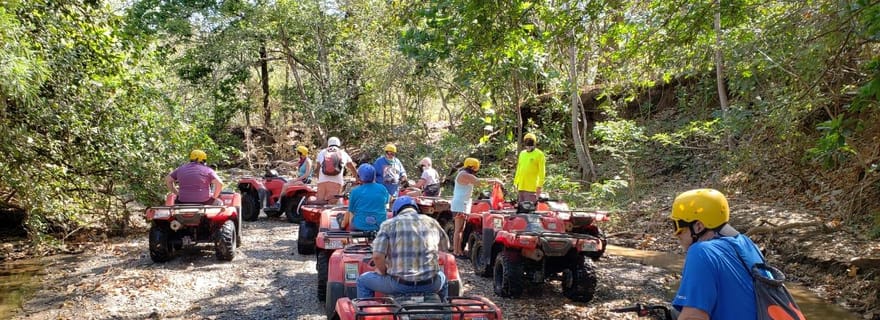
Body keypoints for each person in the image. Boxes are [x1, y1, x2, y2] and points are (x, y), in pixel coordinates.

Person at [670, 188, 759, 320]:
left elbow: (694, 317)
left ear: (698, 226)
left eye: (677, 227)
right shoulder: (746, 243)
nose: (676, 235)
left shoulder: (701, 251)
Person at [356, 196, 449, 301]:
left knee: (363, 280)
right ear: (416, 209)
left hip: (399, 285)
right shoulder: (432, 222)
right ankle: (443, 307)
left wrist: (383, 271)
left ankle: (365, 311)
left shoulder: (388, 225)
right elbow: (445, 248)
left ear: (396, 211)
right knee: (443, 278)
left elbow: (377, 256)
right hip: (431, 285)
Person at [450, 158, 501, 257]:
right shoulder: (464, 174)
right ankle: (456, 252)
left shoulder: (465, 174)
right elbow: (479, 182)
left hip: (463, 204)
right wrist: (494, 180)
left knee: (461, 229)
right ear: (473, 167)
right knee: (458, 229)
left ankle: (459, 250)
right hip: (459, 204)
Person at [341, 164, 390, 231]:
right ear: (374, 176)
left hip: (359, 226)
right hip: (379, 226)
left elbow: (350, 210)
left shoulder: (355, 191)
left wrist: (343, 224)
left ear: (360, 177)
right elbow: (386, 203)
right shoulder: (383, 189)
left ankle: (343, 226)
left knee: (351, 213)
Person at [314, 137, 357, 204]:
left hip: (322, 181)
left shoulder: (322, 152)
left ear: (328, 144)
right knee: (333, 205)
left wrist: (319, 179)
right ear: (338, 144)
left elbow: (317, 169)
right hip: (337, 181)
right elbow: (352, 168)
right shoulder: (343, 153)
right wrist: (357, 178)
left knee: (319, 203)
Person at [513, 133, 545, 203]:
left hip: (532, 188)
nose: (529, 147)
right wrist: (515, 182)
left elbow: (542, 172)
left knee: (529, 209)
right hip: (521, 186)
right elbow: (519, 169)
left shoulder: (539, 154)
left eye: (530, 146)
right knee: (521, 208)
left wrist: (539, 186)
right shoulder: (522, 154)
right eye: (527, 145)